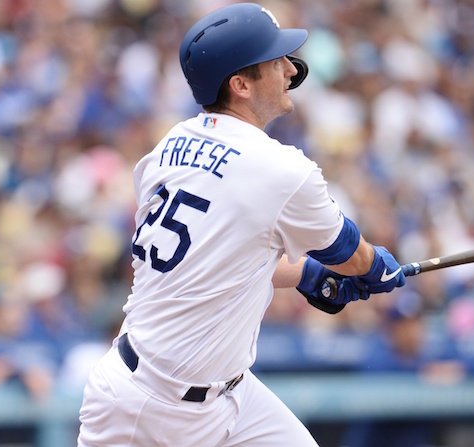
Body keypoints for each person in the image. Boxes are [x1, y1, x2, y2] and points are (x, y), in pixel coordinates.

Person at [77, 3, 405, 447]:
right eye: (276, 62)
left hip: (231, 394)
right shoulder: (279, 168)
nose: (291, 69)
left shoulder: (169, 145)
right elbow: (352, 255)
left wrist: (307, 274)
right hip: (146, 407)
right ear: (240, 85)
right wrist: (376, 269)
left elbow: (219, 258)